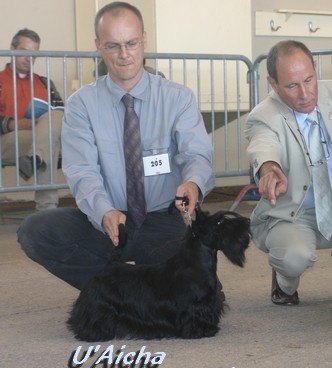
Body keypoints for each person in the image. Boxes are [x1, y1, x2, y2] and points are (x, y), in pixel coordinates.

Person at [17, 2, 214, 290]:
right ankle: (116, 291)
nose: (124, 55)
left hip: (162, 218)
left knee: (195, 295)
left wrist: (193, 184)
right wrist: (104, 211)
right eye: (113, 45)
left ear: (144, 40)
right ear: (98, 46)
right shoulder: (80, 105)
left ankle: (133, 291)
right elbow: (82, 171)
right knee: (36, 231)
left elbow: (196, 154)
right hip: (106, 220)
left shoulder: (179, 98)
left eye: (131, 43)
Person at [245, 40, 332, 305]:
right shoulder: (263, 116)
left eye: (309, 80)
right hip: (294, 214)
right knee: (294, 257)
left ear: (315, 69)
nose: (305, 94)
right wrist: (269, 170)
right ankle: (284, 283)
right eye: (292, 86)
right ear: (273, 83)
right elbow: (263, 147)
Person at [0, 28, 63, 210]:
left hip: (38, 139)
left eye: (34, 54)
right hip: (8, 140)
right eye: (25, 53)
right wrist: (14, 124)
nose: (29, 59)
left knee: (56, 118)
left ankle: (35, 159)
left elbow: (61, 112)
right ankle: (47, 209)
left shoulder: (43, 82)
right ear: (12, 49)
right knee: (50, 141)